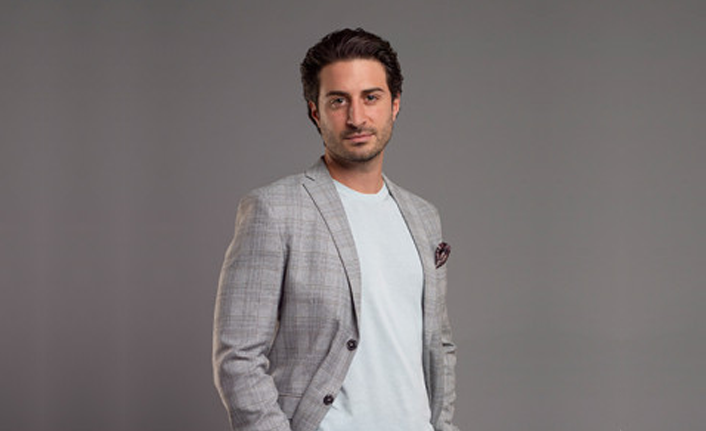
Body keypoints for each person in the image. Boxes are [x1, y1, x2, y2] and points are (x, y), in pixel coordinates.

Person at [213, 28, 459, 431]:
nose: (356, 117)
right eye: (338, 100)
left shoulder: (423, 216)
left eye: (371, 97)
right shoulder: (275, 209)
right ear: (316, 112)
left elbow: (439, 343)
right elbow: (238, 357)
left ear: (395, 104)